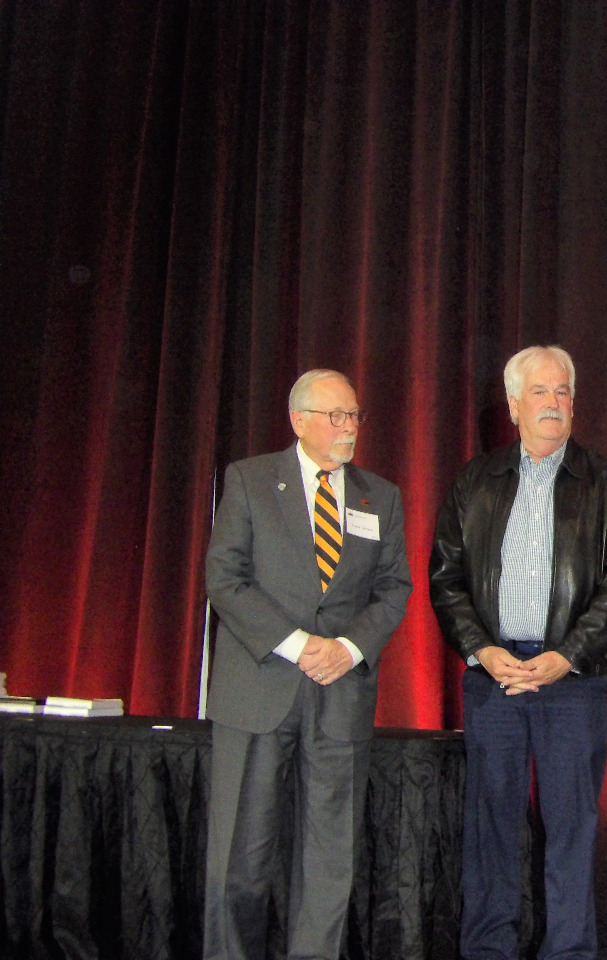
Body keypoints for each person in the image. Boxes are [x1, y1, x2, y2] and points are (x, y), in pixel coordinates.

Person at [428, 345, 607, 960]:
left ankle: (570, 950)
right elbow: (446, 576)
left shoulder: (606, 483)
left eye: (564, 392)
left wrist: (567, 655)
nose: (554, 403)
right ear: (515, 406)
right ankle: (487, 949)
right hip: (493, 678)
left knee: (572, 828)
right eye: (541, 393)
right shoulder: (476, 480)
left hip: (570, 683)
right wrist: (481, 651)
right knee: (490, 822)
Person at [203, 369, 412, 960]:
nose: (349, 429)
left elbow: (393, 589)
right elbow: (224, 577)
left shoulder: (381, 495)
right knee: (240, 856)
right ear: (299, 421)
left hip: (340, 695)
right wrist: (297, 644)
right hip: (259, 688)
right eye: (336, 416)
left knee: (328, 861)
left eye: (354, 416)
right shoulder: (248, 480)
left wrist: (346, 649)